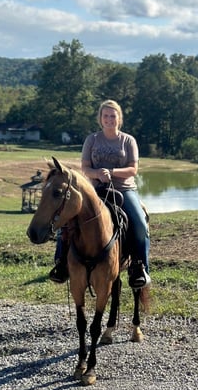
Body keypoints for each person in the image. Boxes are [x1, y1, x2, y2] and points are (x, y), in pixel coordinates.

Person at [49, 99, 151, 289]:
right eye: (106, 116)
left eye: (113, 116)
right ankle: (61, 264)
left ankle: (140, 268)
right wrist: (97, 174)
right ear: (100, 118)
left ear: (119, 118)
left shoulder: (128, 140)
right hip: (95, 190)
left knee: (139, 224)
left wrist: (110, 172)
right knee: (67, 221)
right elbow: (85, 167)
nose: (109, 119)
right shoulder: (92, 140)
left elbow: (133, 169)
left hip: (123, 189)